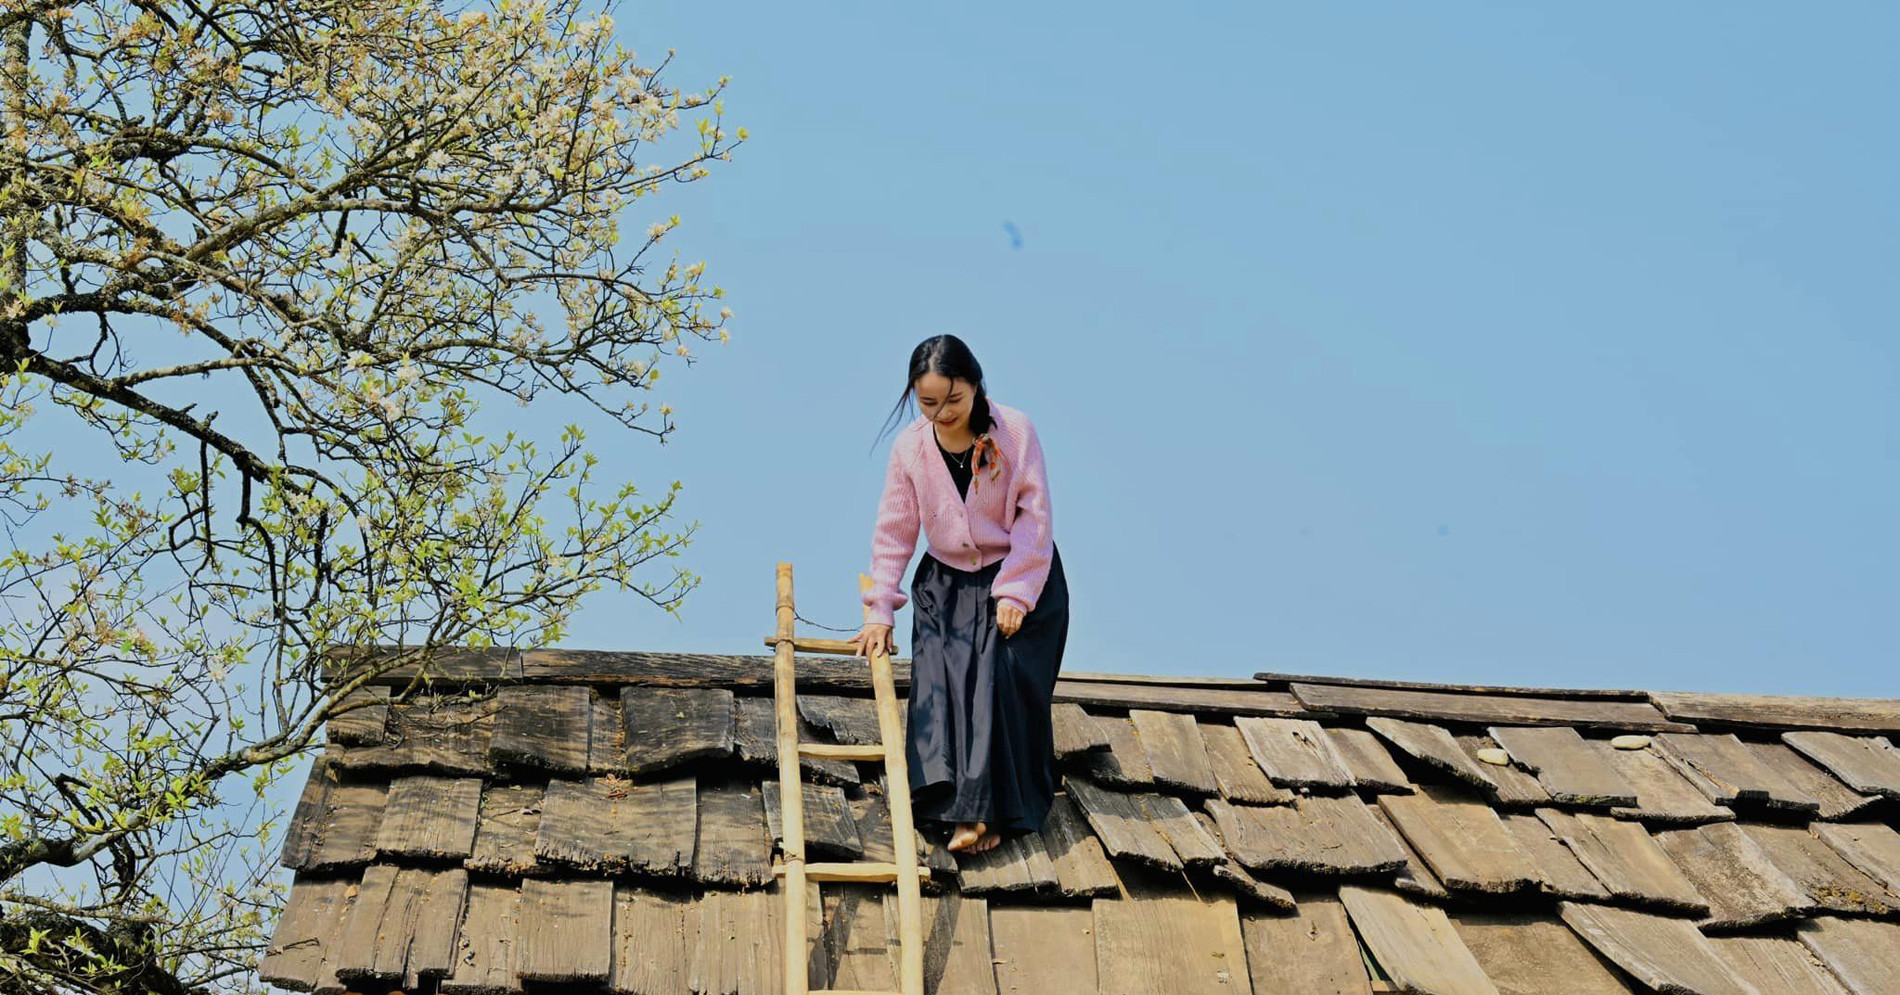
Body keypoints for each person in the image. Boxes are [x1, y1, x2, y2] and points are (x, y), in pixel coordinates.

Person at [852, 334, 1069, 855]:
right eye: (928, 403)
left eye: (953, 400)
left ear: (975, 386)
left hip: (1018, 577)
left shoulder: (1015, 432)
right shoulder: (910, 448)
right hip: (945, 585)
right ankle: (953, 810)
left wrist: (1016, 593)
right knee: (938, 687)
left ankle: (990, 815)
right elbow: (895, 530)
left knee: (996, 681)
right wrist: (880, 609)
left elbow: (1034, 519)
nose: (942, 412)